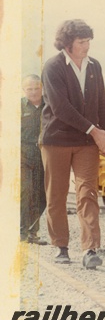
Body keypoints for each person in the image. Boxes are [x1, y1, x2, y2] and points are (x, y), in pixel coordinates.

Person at [40, 19, 105, 269]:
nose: (87, 46)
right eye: (82, 42)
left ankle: (90, 248)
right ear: (68, 44)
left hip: (85, 142)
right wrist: (94, 130)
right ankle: (61, 246)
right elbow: (61, 108)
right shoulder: (53, 67)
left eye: (88, 41)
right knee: (57, 195)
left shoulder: (95, 66)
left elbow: (101, 102)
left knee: (87, 193)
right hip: (56, 140)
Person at [20, 74, 48, 245]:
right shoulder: (18, 106)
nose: (33, 92)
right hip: (23, 156)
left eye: (36, 88)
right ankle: (21, 232)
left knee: (42, 196)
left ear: (42, 88)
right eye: (29, 89)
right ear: (24, 90)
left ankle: (33, 232)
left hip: (44, 155)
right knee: (25, 192)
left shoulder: (50, 106)